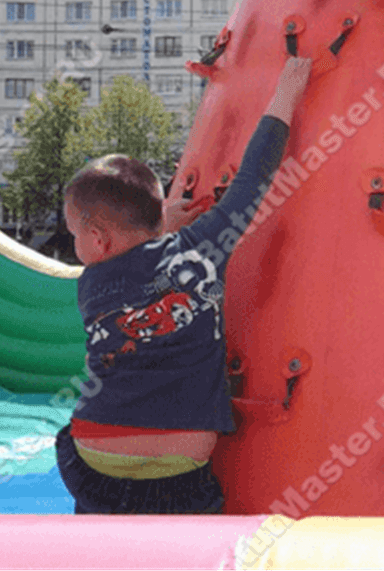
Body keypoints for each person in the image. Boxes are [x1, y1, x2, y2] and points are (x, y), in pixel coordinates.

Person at [54, 56, 312, 513]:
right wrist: (286, 94)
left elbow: (138, 264)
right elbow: (252, 180)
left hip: (96, 460)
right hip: (179, 471)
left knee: (70, 447)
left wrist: (162, 229)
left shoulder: (91, 284)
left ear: (96, 240)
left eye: (75, 235)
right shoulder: (204, 250)